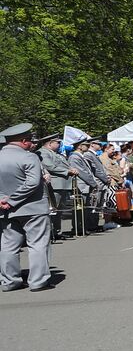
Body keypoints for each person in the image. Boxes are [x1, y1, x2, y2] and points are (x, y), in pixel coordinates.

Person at [0, 123, 53, 291]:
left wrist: (3, 200)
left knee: (8, 246)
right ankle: (38, 281)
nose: (32, 143)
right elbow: (32, 182)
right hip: (33, 208)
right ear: (23, 141)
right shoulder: (29, 157)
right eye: (30, 140)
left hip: (5, 209)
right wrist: (12, 200)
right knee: (37, 244)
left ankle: (10, 281)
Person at [37, 133, 76, 240]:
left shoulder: (56, 153)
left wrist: (71, 169)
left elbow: (65, 164)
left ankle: (56, 231)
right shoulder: (42, 152)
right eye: (57, 142)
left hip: (62, 185)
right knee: (53, 209)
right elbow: (50, 166)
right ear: (50, 143)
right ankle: (50, 232)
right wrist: (67, 171)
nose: (59, 144)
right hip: (54, 185)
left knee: (59, 210)